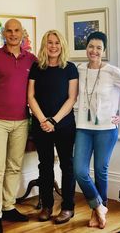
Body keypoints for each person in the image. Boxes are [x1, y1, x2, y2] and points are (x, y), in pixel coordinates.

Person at [0, 19, 37, 233]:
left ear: (22, 33)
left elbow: (38, 89)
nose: (13, 34)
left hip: (21, 121)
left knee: (14, 166)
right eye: (9, 31)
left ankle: (8, 205)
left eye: (16, 30)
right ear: (4, 34)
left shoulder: (32, 59)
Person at [73, 31, 120, 229]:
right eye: (91, 46)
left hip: (107, 129)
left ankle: (98, 213)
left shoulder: (112, 71)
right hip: (83, 127)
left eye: (99, 48)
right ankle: (100, 206)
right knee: (80, 170)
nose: (94, 51)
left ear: (104, 50)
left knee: (100, 170)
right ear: (87, 48)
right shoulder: (79, 69)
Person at [28, 30, 78, 224]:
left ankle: (67, 208)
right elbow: (30, 96)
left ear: (62, 45)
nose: (53, 46)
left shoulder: (70, 68)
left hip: (64, 125)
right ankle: (47, 206)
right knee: (45, 166)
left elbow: (72, 98)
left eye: (57, 42)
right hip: (41, 125)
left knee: (67, 166)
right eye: (50, 42)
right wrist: (42, 120)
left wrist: (54, 121)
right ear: (44, 44)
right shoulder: (36, 67)